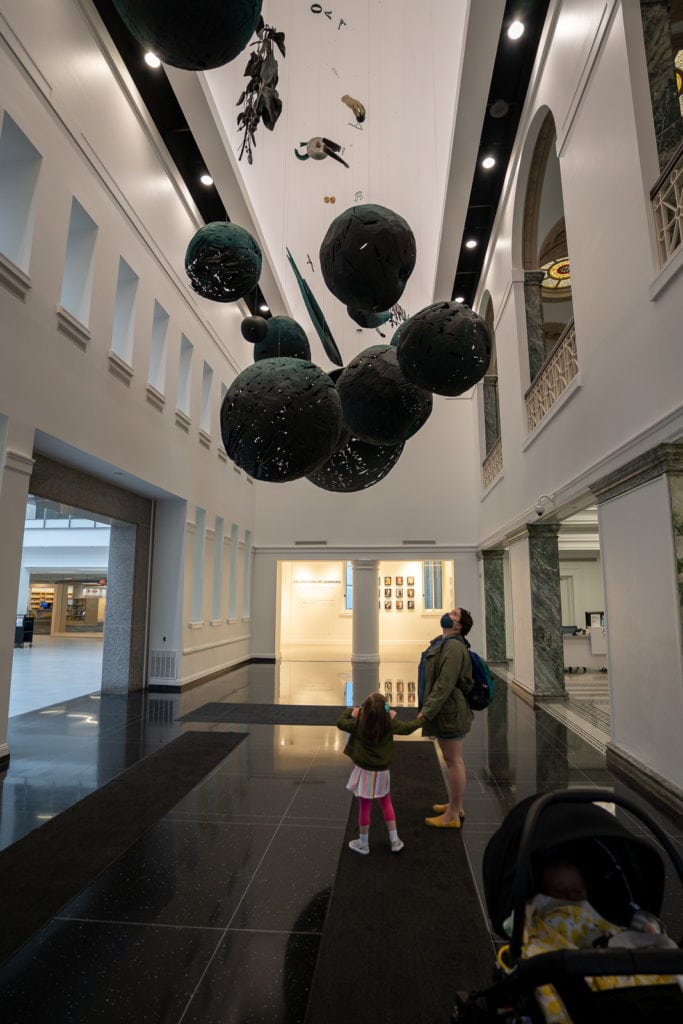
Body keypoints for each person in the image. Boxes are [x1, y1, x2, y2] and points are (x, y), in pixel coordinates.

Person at [337, 692, 422, 855]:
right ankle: (395, 840)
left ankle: (363, 844)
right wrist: (421, 720)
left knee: (364, 807)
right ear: (386, 712)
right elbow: (407, 728)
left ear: (364, 711)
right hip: (382, 772)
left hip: (364, 771)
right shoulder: (389, 724)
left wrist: (351, 712)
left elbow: (340, 722)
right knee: (386, 803)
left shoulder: (358, 723)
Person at [417, 607, 474, 829]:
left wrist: (427, 711)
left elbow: (445, 683)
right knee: (451, 760)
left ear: (458, 626)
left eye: (454, 614)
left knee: (453, 761)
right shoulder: (442, 642)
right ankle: (454, 804)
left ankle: (452, 815)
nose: (448, 614)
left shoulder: (453, 647)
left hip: (451, 711)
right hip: (446, 710)